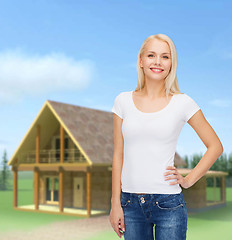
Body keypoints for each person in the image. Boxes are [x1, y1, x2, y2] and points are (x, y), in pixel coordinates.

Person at [109, 33, 223, 240]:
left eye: (165, 56)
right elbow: (118, 154)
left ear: (171, 63)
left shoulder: (183, 103)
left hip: (169, 204)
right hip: (129, 205)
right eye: (151, 55)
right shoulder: (122, 101)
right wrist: (115, 203)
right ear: (141, 61)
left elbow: (215, 146)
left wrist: (188, 181)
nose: (158, 62)